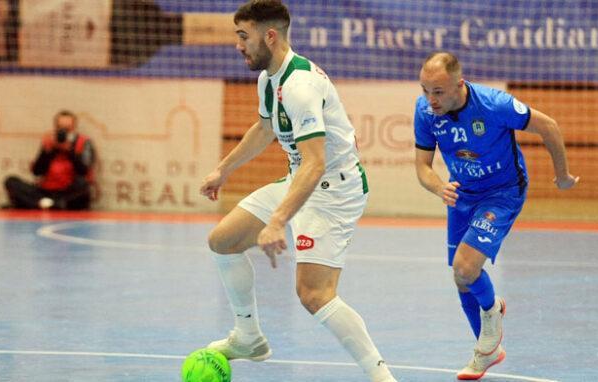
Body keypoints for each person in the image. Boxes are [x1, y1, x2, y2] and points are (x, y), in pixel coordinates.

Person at [199, 1, 396, 381]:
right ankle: (248, 338)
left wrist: (277, 221)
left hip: (333, 191)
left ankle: (382, 377)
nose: (238, 44)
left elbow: (315, 163)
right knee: (223, 240)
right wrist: (223, 169)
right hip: (302, 177)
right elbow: (264, 129)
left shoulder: (300, 86)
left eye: (244, 36)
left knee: (314, 295)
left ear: (269, 36)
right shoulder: (268, 78)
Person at [413, 53, 578, 380]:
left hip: (502, 192)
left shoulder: (493, 104)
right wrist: (438, 187)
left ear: (459, 84)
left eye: (439, 91)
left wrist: (563, 175)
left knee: (465, 266)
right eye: (425, 90)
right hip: (462, 195)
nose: (431, 99)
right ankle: (486, 350)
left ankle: (491, 314)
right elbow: (422, 166)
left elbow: (549, 126)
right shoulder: (426, 112)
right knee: (461, 278)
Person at [4, 110, 95, 210]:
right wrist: (48, 152)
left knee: (84, 187)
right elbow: (37, 172)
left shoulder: (83, 142)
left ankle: (43, 204)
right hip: (46, 191)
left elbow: (84, 170)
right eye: (60, 128)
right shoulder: (49, 142)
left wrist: (69, 151)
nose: (63, 133)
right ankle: (51, 204)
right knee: (11, 181)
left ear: (74, 128)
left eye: (67, 129)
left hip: (68, 191)